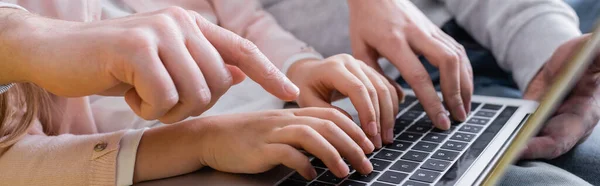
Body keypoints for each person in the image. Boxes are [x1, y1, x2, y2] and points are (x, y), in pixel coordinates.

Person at [0, 0, 410, 185]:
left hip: (281, 123)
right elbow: (12, 160)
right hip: (173, 159)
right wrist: (202, 140)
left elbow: (247, 21)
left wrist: (300, 68)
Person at [260, 0, 598, 185]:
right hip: (405, 88)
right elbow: (242, 29)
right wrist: (300, 66)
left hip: (498, 45)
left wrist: (550, 52)